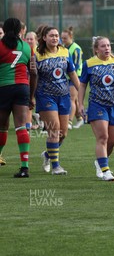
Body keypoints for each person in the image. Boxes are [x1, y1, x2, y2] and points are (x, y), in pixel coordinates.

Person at [77, 36, 114, 181]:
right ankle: (106, 171)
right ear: (96, 49)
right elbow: (82, 85)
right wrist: (80, 104)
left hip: (113, 105)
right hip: (97, 105)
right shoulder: (89, 64)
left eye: (108, 46)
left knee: (112, 142)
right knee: (103, 137)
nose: (107, 48)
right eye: (103, 46)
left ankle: (100, 162)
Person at [36, 25, 79, 175]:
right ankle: (56, 167)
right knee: (53, 131)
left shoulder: (65, 52)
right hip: (45, 96)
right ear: (44, 38)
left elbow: (72, 73)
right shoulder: (37, 54)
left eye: (56, 36)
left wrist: (80, 92)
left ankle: (48, 154)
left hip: (64, 96)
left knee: (63, 133)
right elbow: (33, 77)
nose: (55, 38)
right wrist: (31, 97)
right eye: (51, 36)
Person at [0, 18, 36, 177]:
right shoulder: (27, 47)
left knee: (2, 127)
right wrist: (32, 96)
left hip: (3, 88)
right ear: (21, 30)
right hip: (22, 88)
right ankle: (24, 168)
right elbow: (34, 73)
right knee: (21, 126)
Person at [61, 26, 84, 129]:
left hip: (76, 76)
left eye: (65, 38)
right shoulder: (63, 48)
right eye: (62, 38)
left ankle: (69, 122)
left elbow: (77, 65)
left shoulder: (76, 48)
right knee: (74, 100)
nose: (63, 40)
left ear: (70, 37)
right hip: (65, 77)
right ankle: (80, 118)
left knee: (72, 98)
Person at [24, 32, 42, 131]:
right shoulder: (25, 50)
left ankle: (40, 122)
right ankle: (28, 124)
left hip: (38, 81)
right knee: (29, 102)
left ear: (36, 40)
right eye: (27, 39)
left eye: (31, 39)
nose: (29, 41)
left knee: (37, 102)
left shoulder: (39, 52)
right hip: (28, 80)